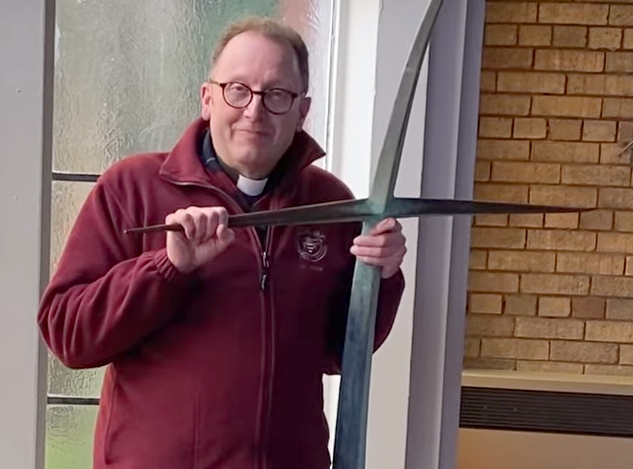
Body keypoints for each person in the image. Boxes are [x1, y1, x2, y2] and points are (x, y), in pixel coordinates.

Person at [38, 16, 407, 469]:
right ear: (207, 99)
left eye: (276, 95)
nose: (254, 111)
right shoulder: (132, 189)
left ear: (302, 110)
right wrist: (166, 268)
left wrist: (381, 277)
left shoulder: (331, 204)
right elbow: (68, 335)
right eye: (238, 90)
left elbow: (339, 352)